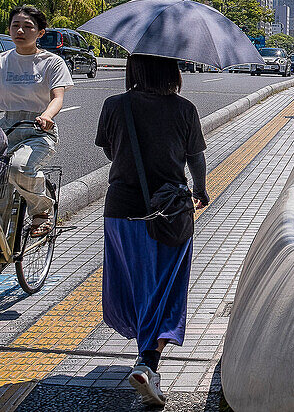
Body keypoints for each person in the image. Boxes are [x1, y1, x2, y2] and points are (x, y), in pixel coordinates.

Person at [95, 55, 210, 407]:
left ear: (135, 69)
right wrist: (201, 189)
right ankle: (148, 363)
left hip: (120, 212)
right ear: (172, 71)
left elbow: (110, 152)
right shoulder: (185, 109)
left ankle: (146, 359)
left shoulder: (115, 105)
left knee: (135, 286)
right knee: (166, 290)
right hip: (170, 213)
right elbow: (196, 159)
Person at [0, 5, 73, 237]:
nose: (20, 30)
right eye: (15, 26)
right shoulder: (2, 61)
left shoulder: (52, 62)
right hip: (5, 129)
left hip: (39, 130)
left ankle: (42, 212)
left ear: (40, 32)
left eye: (28, 26)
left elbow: (57, 97)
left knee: (18, 168)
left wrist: (47, 116)